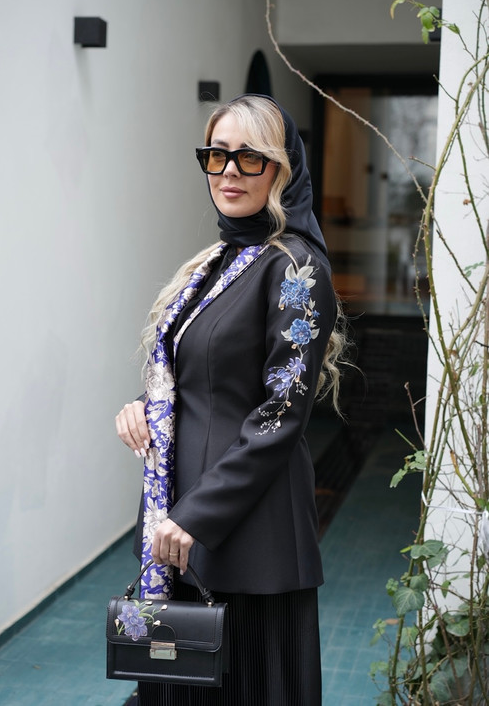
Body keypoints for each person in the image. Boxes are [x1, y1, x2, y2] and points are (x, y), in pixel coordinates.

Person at [115, 93, 347, 705]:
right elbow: (201, 373)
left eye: (251, 157)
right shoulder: (220, 261)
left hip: (246, 541)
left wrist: (197, 515)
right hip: (180, 526)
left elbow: (280, 414)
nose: (230, 172)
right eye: (217, 156)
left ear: (282, 170)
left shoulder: (295, 269)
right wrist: (143, 404)